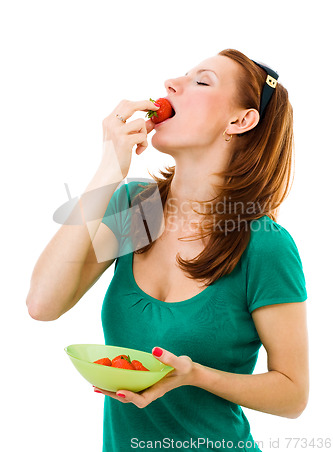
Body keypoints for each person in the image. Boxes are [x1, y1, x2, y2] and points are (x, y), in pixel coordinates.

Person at [27, 48, 309, 452]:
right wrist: (109, 168)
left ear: (240, 120)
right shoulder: (137, 209)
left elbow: (294, 395)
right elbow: (42, 303)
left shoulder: (265, 245)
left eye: (202, 80)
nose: (171, 84)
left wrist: (196, 375)